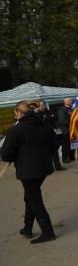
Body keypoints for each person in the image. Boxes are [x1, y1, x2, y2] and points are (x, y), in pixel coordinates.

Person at [1, 100, 58, 244]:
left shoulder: (16, 130)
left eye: (15, 111)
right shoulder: (45, 125)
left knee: (34, 199)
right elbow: (55, 145)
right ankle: (27, 227)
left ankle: (48, 232)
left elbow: (6, 154)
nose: (15, 114)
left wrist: (17, 157)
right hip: (43, 168)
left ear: (19, 112)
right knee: (30, 197)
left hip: (28, 171)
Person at [56, 98, 75, 163]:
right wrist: (71, 123)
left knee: (72, 143)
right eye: (70, 101)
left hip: (71, 128)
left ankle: (72, 156)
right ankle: (65, 158)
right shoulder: (62, 110)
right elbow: (62, 120)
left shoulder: (72, 109)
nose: (71, 101)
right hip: (65, 129)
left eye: (71, 100)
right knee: (66, 144)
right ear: (66, 102)